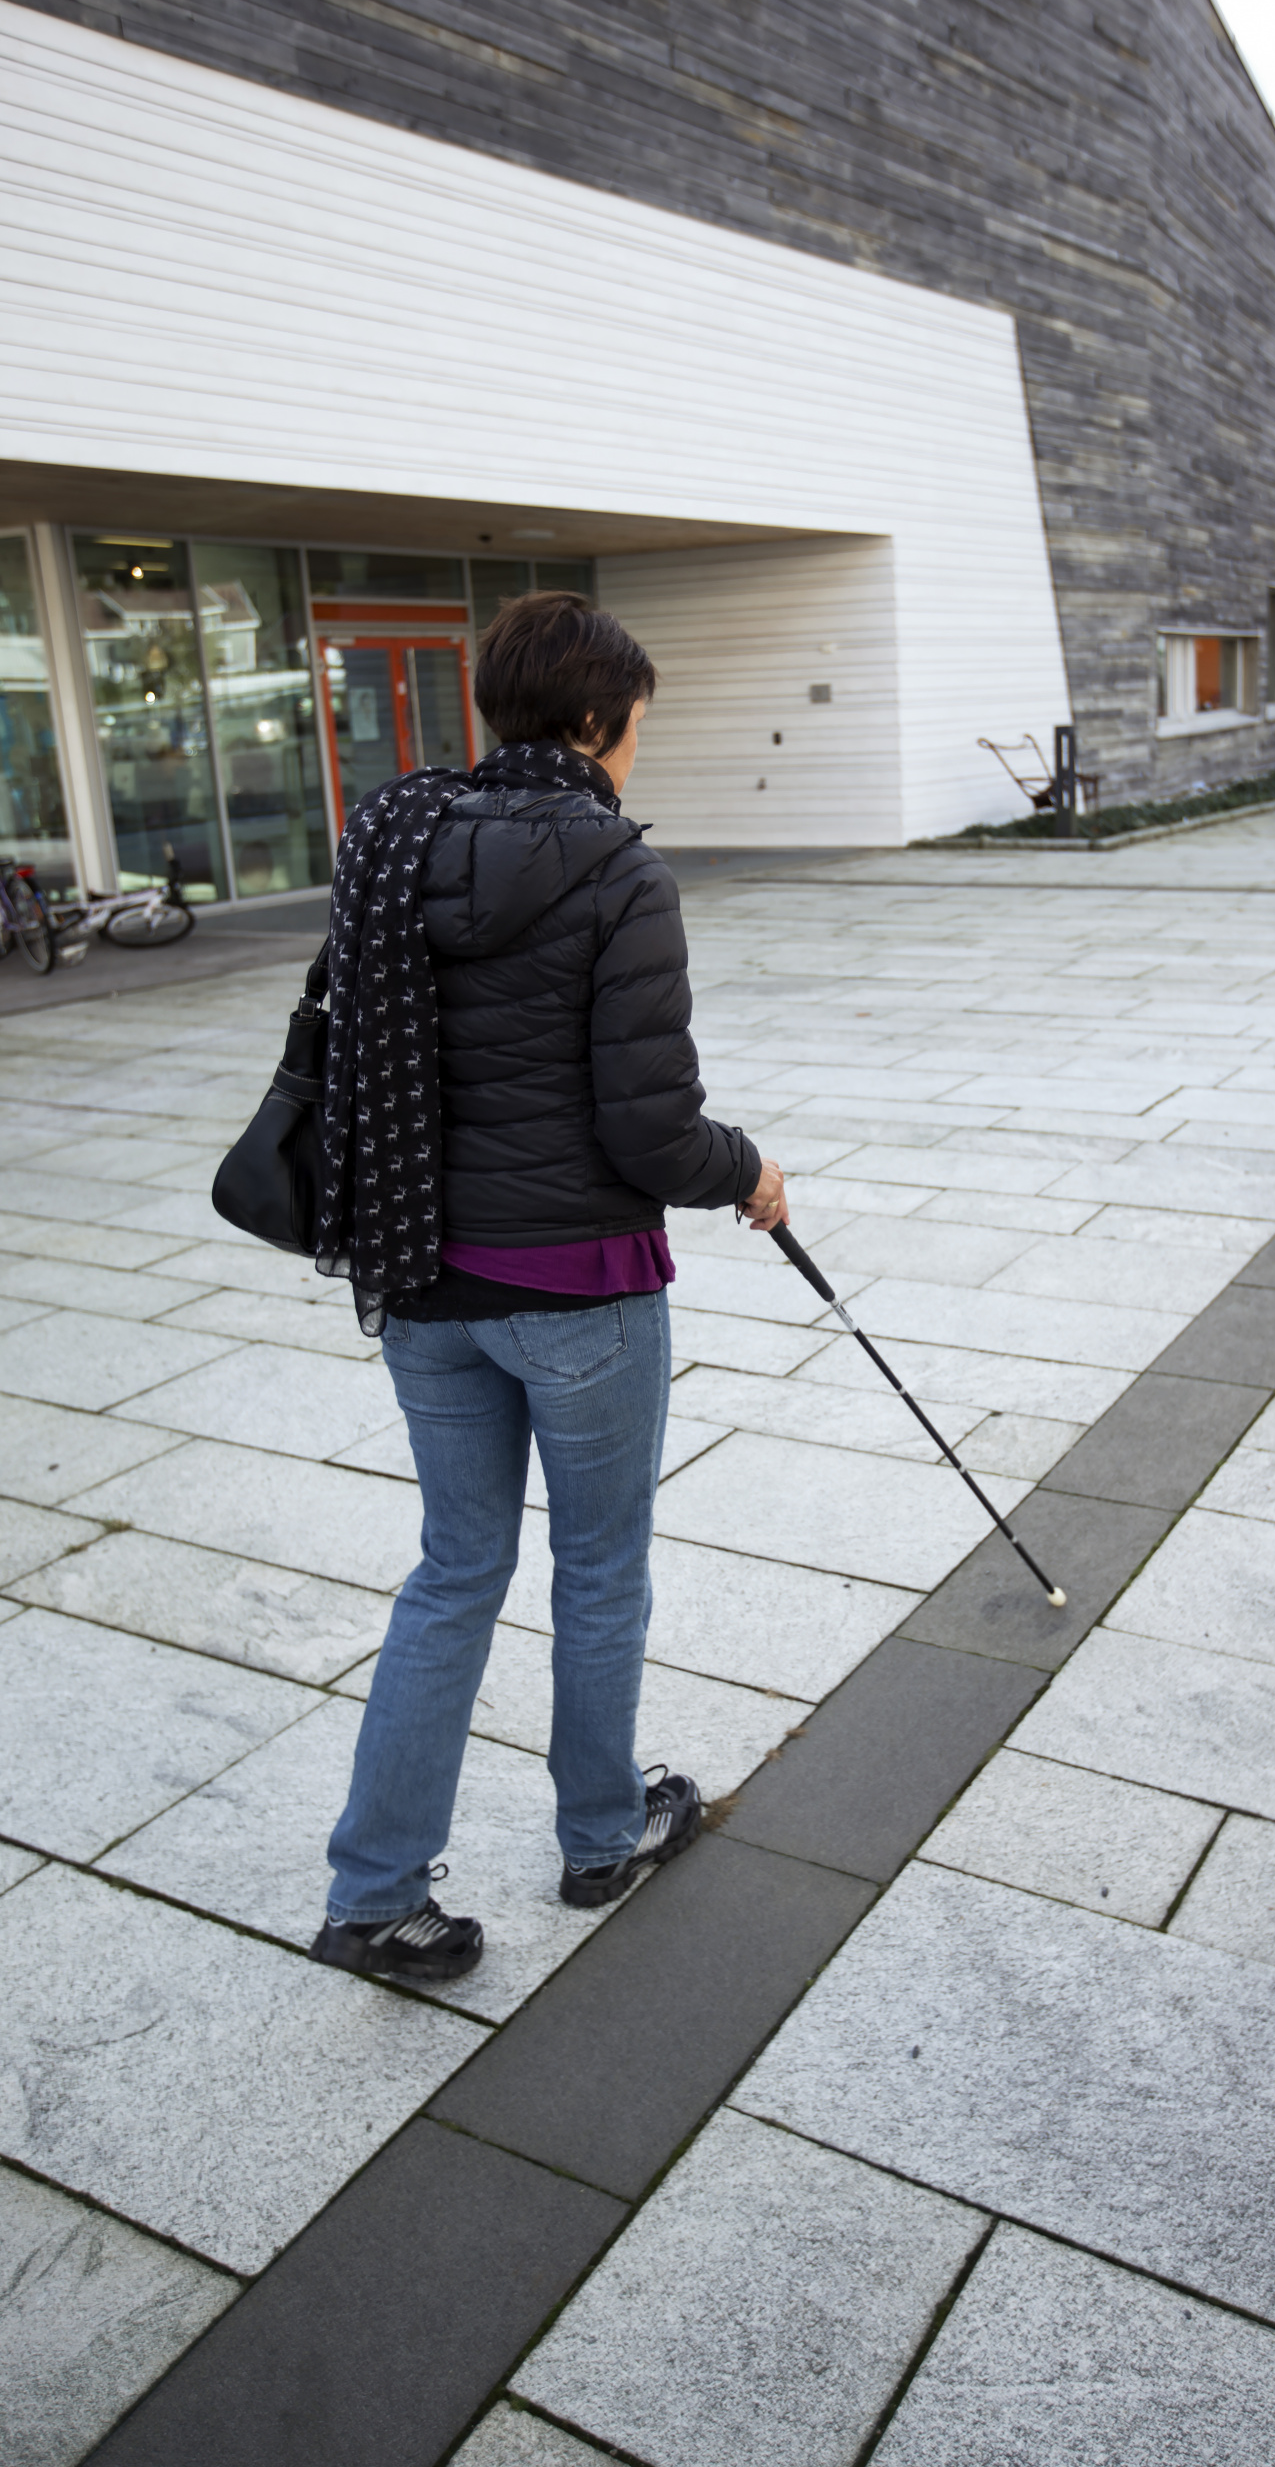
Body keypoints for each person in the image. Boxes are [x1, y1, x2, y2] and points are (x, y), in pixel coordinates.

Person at [307, 592, 787, 1982]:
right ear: (593, 722)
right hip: (580, 1291)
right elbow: (649, 1132)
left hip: (423, 1283)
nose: (638, 747)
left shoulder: (392, 843)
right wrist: (747, 1169)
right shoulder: (620, 873)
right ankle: (597, 1835)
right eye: (634, 723)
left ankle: (372, 1894)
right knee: (599, 1571)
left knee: (455, 1569)